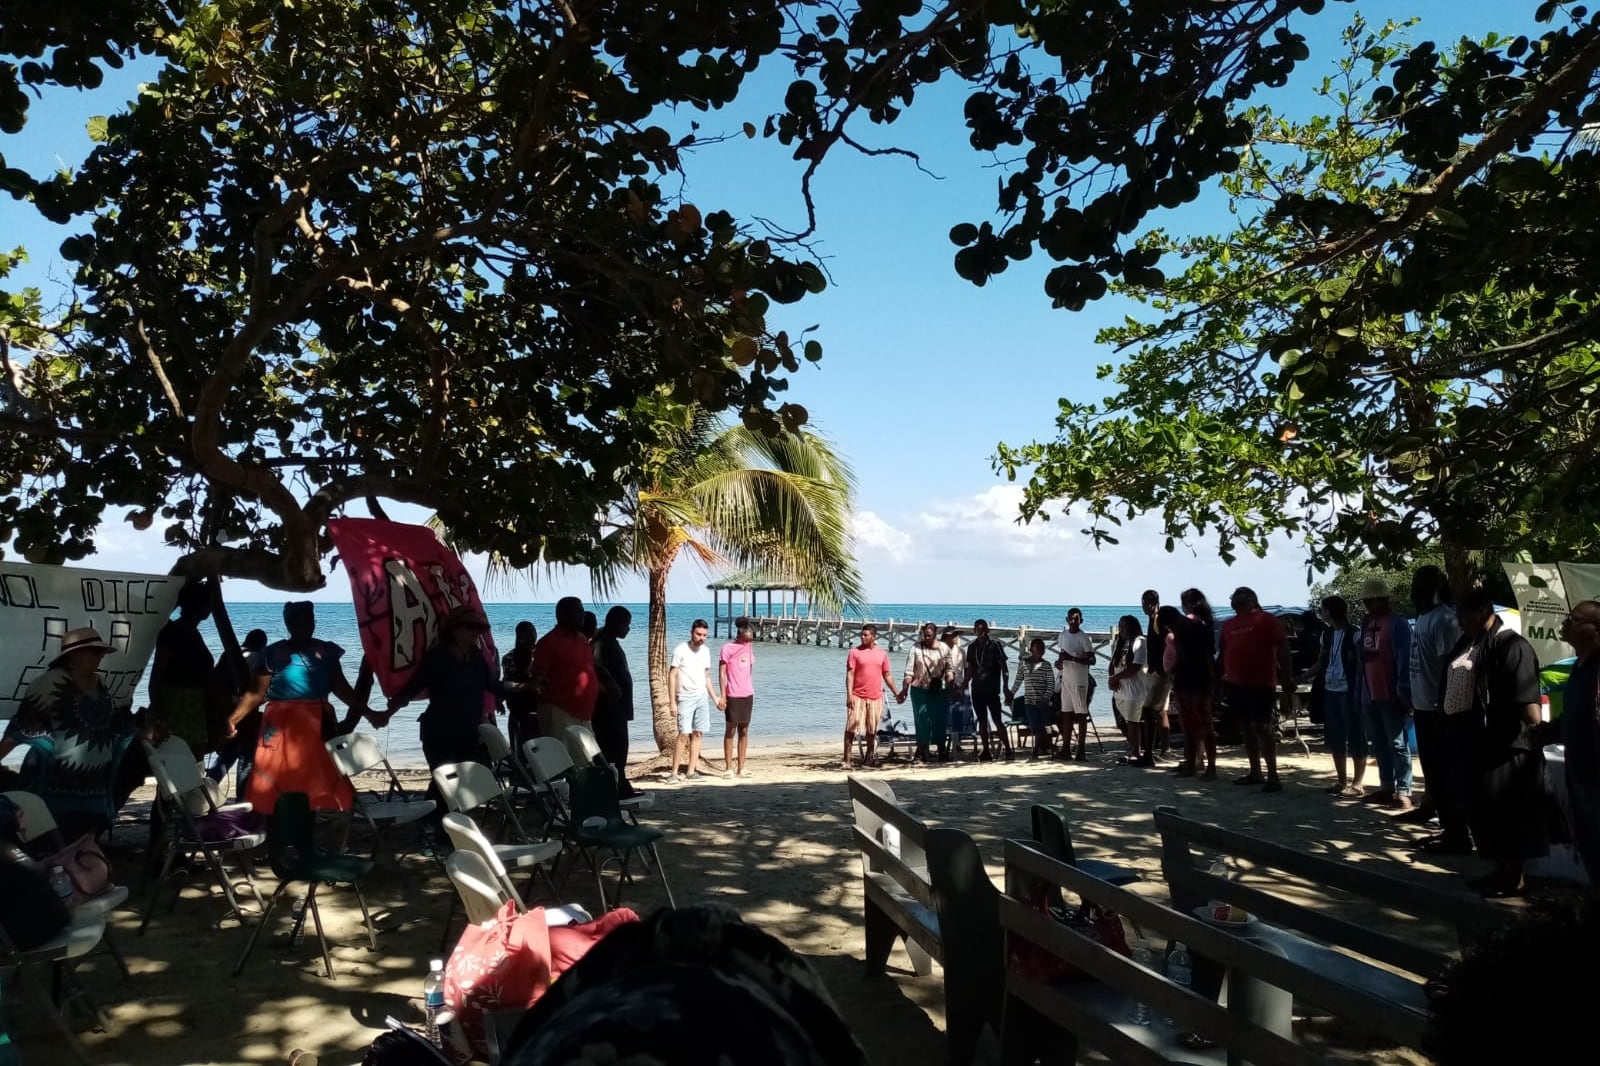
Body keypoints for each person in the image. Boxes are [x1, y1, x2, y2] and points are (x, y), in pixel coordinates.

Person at [0, 628, 152, 838]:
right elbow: (20, 727)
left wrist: (140, 734)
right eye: (94, 652)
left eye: (101, 653)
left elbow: (110, 725)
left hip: (94, 788)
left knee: (85, 847)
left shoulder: (99, 683)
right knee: (55, 847)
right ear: (73, 655)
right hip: (55, 785)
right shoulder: (49, 683)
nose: (99, 657)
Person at [1448, 587, 1546, 897]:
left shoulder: (1512, 646)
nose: (1459, 622)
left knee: (1510, 811)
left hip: (1509, 745)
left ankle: (1514, 877)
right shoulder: (1471, 642)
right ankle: (1499, 868)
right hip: (1480, 742)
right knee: (1486, 810)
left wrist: (1537, 732)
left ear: (1481, 612)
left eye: (1462, 615)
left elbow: (1527, 698)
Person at [231, 601, 369, 814]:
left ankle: (307, 839)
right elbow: (256, 694)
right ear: (289, 624)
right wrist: (233, 720)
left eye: (310, 621)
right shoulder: (272, 654)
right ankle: (277, 837)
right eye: (300, 621)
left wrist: (370, 713)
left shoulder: (327, 652)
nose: (306, 625)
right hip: (280, 727)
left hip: (319, 725)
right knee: (277, 785)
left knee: (317, 784)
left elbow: (343, 691)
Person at [388, 606, 527, 770]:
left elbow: (493, 685)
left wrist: (523, 686)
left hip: (468, 733)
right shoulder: (438, 657)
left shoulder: (476, 657)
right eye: (470, 627)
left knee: (463, 783)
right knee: (444, 783)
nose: (475, 632)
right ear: (454, 629)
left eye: (478, 628)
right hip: (439, 733)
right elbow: (412, 689)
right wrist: (387, 713)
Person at [1410, 566, 1469, 852]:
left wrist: (1444, 704)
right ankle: (1447, 828)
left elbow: (1451, 664)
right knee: (1432, 772)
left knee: (1447, 775)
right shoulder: (1422, 618)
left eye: (1423, 583)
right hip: (1421, 706)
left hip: (1439, 709)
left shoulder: (1445, 619)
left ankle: (1457, 834)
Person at [1218, 587, 1293, 793]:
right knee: (1246, 729)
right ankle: (1255, 772)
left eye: (1244, 594)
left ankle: (1273, 775)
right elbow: (1223, 654)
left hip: (1261, 684)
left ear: (1253, 599)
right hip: (1235, 684)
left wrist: (1286, 676)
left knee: (1261, 728)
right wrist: (1217, 681)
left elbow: (1284, 649)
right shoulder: (1228, 625)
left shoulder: (1267, 620)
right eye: (1236, 594)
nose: (1239, 597)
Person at [1551, 600, 1600, 879]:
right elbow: (1576, 716)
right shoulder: (1579, 667)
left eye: (1574, 619)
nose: (1565, 623)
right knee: (1588, 845)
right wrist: (1550, 731)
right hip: (1580, 773)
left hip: (1594, 775)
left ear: (1595, 629)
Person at [1358, 578, 1417, 811]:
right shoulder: (1366, 624)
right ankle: (1386, 787)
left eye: (1370, 600)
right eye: (1365, 601)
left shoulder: (1398, 624)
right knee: (1379, 743)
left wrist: (1404, 691)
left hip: (1390, 693)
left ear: (1381, 600)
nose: (1367, 605)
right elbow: (1362, 662)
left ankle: (1404, 791)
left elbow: (1404, 660)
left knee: (1398, 743)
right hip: (1370, 693)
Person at [1304, 595, 1366, 797]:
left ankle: (1357, 783)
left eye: (1322, 609)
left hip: (1348, 690)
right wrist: (1301, 677)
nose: (1321, 613)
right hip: (1330, 690)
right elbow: (1321, 662)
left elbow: (1360, 665)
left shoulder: (1355, 634)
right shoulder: (1327, 635)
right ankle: (1341, 781)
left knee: (1355, 735)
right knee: (1335, 737)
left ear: (1329, 611)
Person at [148, 579, 217, 757]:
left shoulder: (188, 630)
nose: (210, 608)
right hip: (176, 705)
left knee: (190, 766)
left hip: (193, 706)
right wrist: (159, 712)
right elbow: (157, 674)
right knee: (177, 764)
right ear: (200, 606)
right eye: (208, 603)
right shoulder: (174, 632)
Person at [207, 627, 267, 787]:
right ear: (262, 645)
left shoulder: (228, 654)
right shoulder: (257, 658)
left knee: (228, 753)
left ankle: (209, 785)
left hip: (224, 708)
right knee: (246, 756)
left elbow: (215, 679)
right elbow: (257, 690)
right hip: (245, 712)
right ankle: (243, 795)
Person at [533, 597, 598, 739]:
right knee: (564, 759)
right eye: (578, 611)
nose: (583, 615)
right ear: (563, 615)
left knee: (586, 760)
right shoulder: (548, 642)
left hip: (584, 715)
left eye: (582, 611)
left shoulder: (582, 640)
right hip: (560, 713)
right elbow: (538, 680)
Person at [591, 606, 639, 796]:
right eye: (626, 625)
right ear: (615, 623)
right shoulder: (601, 643)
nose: (628, 629)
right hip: (609, 709)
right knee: (614, 749)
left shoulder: (609, 641)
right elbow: (597, 670)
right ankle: (615, 788)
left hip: (617, 707)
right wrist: (611, 690)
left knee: (619, 750)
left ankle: (620, 785)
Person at [1171, 590, 1218, 779]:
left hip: (1193, 680)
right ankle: (1198, 763)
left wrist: (1214, 681)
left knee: (1198, 726)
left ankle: (1203, 765)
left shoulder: (1192, 626)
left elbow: (1206, 657)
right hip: (1194, 679)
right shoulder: (1204, 625)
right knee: (1196, 725)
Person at [668, 619, 722, 782]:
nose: (701, 638)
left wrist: (715, 698)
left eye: (705, 635)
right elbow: (672, 675)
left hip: (701, 697)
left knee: (698, 733)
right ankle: (674, 772)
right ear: (692, 632)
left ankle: (691, 771)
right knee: (683, 734)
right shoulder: (680, 650)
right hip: (685, 697)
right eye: (699, 634)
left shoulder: (705, 651)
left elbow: (706, 676)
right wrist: (672, 702)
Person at [898, 622, 953, 764]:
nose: (927, 637)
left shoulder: (944, 648)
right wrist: (904, 689)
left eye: (930, 634)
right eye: (925, 634)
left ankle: (942, 751)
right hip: (919, 690)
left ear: (935, 634)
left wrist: (950, 685)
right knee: (922, 721)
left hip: (938, 690)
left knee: (939, 721)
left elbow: (949, 669)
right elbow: (909, 671)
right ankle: (922, 751)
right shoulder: (915, 648)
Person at [843, 625, 895, 770]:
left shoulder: (882, 654)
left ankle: (869, 758)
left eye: (866, 635)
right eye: (862, 635)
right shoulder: (854, 652)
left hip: (875, 697)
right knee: (851, 728)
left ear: (874, 636)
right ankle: (846, 760)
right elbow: (850, 675)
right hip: (857, 695)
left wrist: (896, 692)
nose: (862, 637)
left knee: (871, 730)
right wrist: (849, 695)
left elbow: (887, 675)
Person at [964, 619, 1013, 761]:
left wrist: (1005, 686)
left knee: (997, 719)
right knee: (982, 721)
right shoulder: (972, 648)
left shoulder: (995, 646)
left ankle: (1009, 749)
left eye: (984, 629)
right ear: (974, 631)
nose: (981, 632)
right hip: (977, 690)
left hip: (992, 690)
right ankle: (985, 750)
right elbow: (970, 669)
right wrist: (963, 685)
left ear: (988, 631)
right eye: (978, 630)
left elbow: (1004, 668)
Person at [1107, 615, 1151, 765]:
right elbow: (1112, 664)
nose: (1122, 629)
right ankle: (1132, 748)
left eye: (1125, 626)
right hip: (1120, 690)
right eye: (1120, 626)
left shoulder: (1140, 642)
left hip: (1135, 690)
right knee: (1123, 722)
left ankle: (1136, 752)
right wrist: (1112, 678)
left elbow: (1135, 667)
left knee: (1133, 721)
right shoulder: (1120, 642)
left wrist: (1115, 678)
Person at [1008, 637, 1058, 760]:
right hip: (1029, 702)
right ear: (1031, 649)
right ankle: (1037, 749)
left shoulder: (1046, 665)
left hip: (1043, 702)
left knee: (1045, 726)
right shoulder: (1024, 664)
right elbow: (1018, 681)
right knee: (1035, 726)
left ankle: (1040, 749)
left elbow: (1051, 685)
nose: (1041, 651)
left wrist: (1045, 699)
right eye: (1038, 648)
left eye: (1042, 648)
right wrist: (1011, 694)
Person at [1056, 608, 1096, 761]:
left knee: (1081, 715)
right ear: (1067, 620)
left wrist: (1072, 658)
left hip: (1079, 682)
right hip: (1066, 680)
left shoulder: (1084, 637)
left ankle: (1081, 750)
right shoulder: (1063, 635)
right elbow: (1062, 654)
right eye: (1071, 618)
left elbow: (1092, 660)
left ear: (1081, 621)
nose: (1073, 621)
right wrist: (1059, 662)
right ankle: (1066, 749)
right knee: (1065, 714)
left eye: (1076, 619)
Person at [718, 619, 756, 778]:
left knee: (744, 730)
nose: (748, 642)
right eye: (746, 639)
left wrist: (746, 684)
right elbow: (722, 673)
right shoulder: (727, 648)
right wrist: (723, 695)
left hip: (747, 693)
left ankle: (741, 767)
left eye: (750, 640)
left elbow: (749, 669)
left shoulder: (748, 648)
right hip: (732, 694)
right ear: (739, 636)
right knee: (731, 729)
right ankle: (728, 767)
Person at [1141, 589, 1173, 755]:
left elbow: (1166, 644)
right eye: (1143, 604)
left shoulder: (1158, 620)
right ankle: (1162, 747)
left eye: (1146, 604)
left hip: (1161, 672)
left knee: (1151, 711)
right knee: (1160, 710)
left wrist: (1160, 667)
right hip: (1157, 670)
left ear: (1153, 603)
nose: (1144, 607)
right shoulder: (1152, 619)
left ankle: (1152, 749)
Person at [501, 621, 540, 753]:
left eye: (533, 632)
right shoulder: (509, 658)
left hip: (538, 710)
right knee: (521, 752)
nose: (532, 636)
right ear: (519, 636)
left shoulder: (539, 655)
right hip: (518, 711)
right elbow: (508, 684)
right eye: (528, 633)